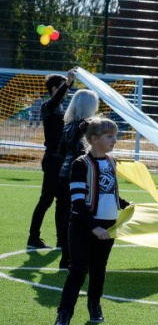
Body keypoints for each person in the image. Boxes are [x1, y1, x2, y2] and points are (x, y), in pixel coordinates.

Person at [52, 117, 130, 325]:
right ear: (94, 139)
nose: (115, 139)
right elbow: (77, 202)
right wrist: (93, 227)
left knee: (98, 270)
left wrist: (126, 205)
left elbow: (110, 192)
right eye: (110, 136)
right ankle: (64, 314)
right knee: (77, 270)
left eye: (115, 135)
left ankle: (94, 305)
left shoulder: (112, 161)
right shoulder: (80, 164)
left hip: (108, 226)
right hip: (83, 226)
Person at [27, 70, 76, 249]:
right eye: (64, 88)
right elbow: (56, 99)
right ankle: (33, 238)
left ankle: (61, 241)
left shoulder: (61, 108)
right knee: (46, 200)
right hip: (53, 160)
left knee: (62, 201)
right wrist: (68, 82)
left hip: (61, 160)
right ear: (55, 88)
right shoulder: (48, 106)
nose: (68, 92)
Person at [55, 89, 100, 269]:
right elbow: (87, 154)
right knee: (82, 218)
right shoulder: (88, 127)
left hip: (64, 175)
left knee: (68, 218)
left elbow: (61, 152)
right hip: (81, 176)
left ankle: (66, 258)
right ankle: (75, 259)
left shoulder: (67, 126)